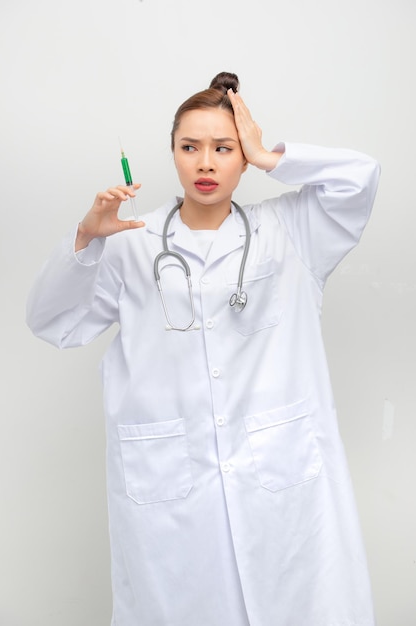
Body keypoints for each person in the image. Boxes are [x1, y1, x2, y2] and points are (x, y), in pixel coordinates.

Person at [27, 71, 381, 626]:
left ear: (243, 155)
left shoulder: (290, 232)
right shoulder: (130, 243)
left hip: (282, 484)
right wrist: (87, 238)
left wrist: (272, 156)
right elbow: (51, 322)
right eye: (190, 147)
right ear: (172, 153)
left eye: (225, 148)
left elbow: (361, 179)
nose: (206, 163)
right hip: (171, 495)